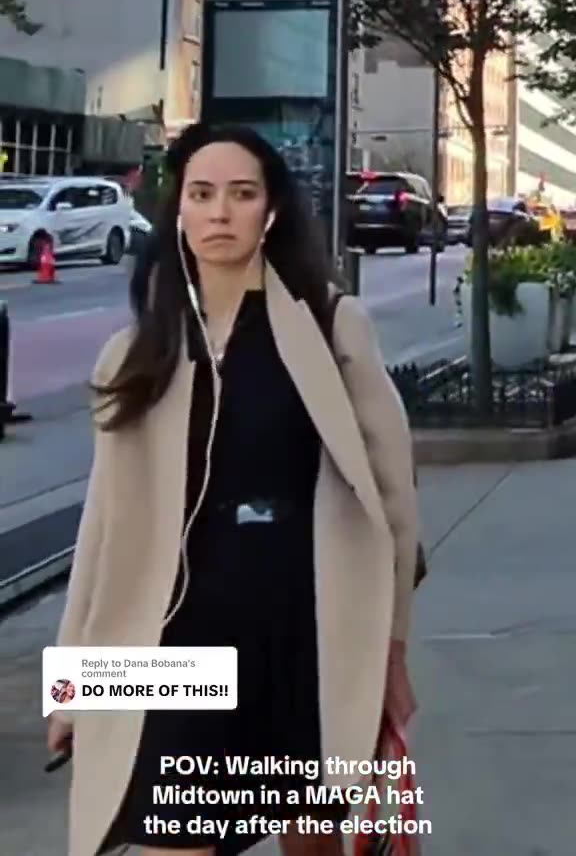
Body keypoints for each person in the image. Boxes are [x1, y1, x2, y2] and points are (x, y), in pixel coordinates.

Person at [47, 124, 420, 856]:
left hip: (299, 631)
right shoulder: (136, 353)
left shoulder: (331, 327)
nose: (220, 212)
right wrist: (74, 688)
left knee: (311, 842)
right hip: (175, 644)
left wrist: (391, 651)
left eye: (242, 194)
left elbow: (392, 507)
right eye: (202, 194)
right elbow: (104, 532)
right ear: (178, 211)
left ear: (270, 211)